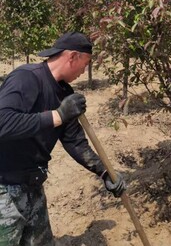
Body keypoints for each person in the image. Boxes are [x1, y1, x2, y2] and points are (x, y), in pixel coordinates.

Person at [0, 31, 126, 246]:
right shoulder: (27, 78)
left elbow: (75, 141)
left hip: (33, 186)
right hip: (4, 189)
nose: (84, 70)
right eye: (84, 64)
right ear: (72, 56)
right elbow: (3, 122)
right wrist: (57, 116)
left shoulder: (64, 94)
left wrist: (104, 171)